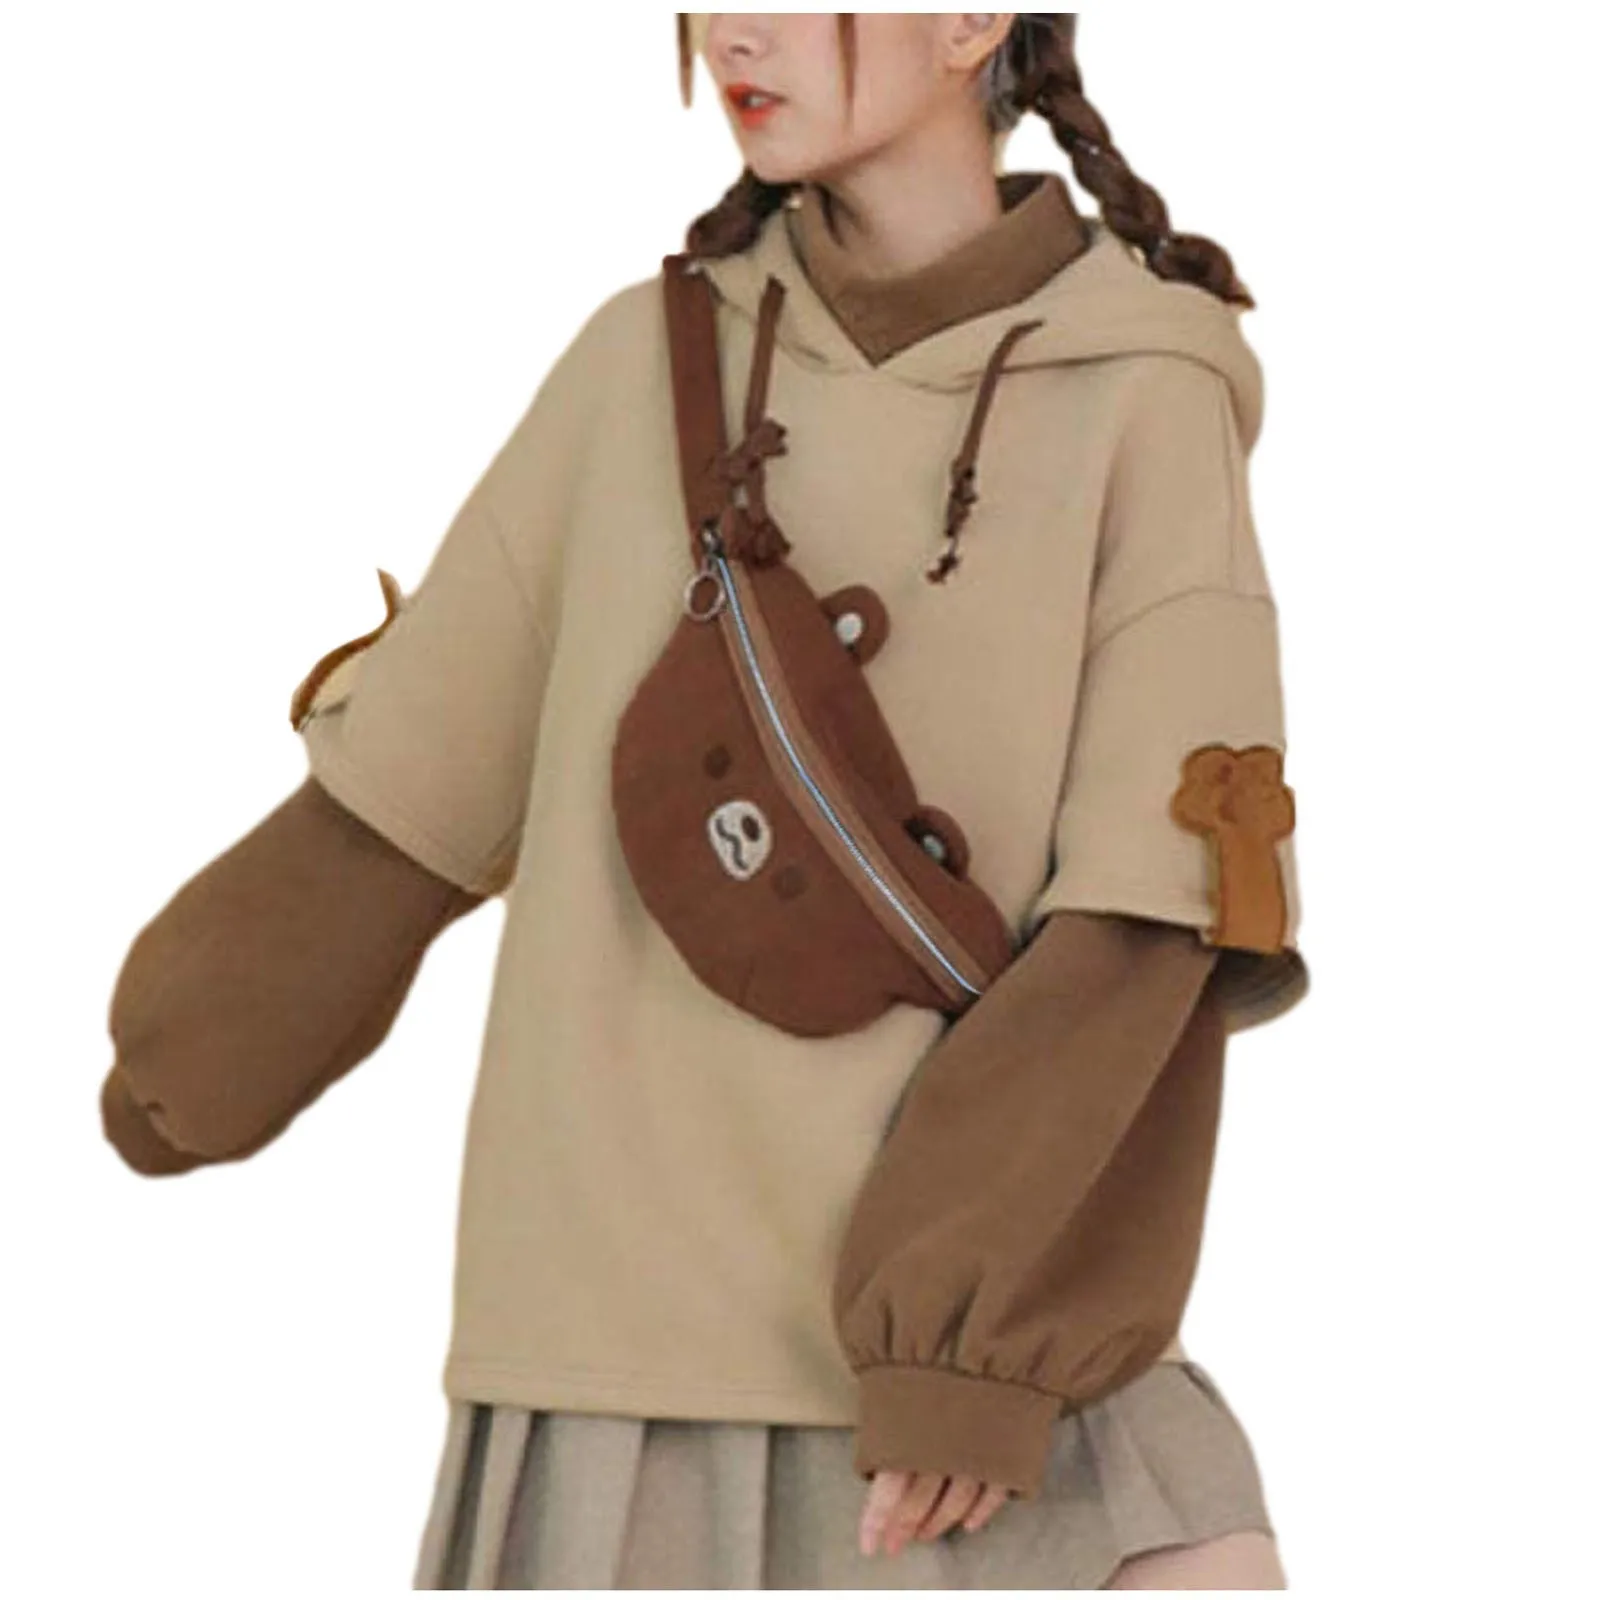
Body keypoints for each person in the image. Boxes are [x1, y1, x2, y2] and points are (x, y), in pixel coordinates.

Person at [99, 14, 1308, 1589]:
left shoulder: (1147, 388)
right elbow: (411, 785)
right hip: (629, 1351)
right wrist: (196, 1042)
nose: (732, 27)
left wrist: (967, 1336)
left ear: (972, 22)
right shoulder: (640, 368)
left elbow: (1154, 908)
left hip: (985, 1355)